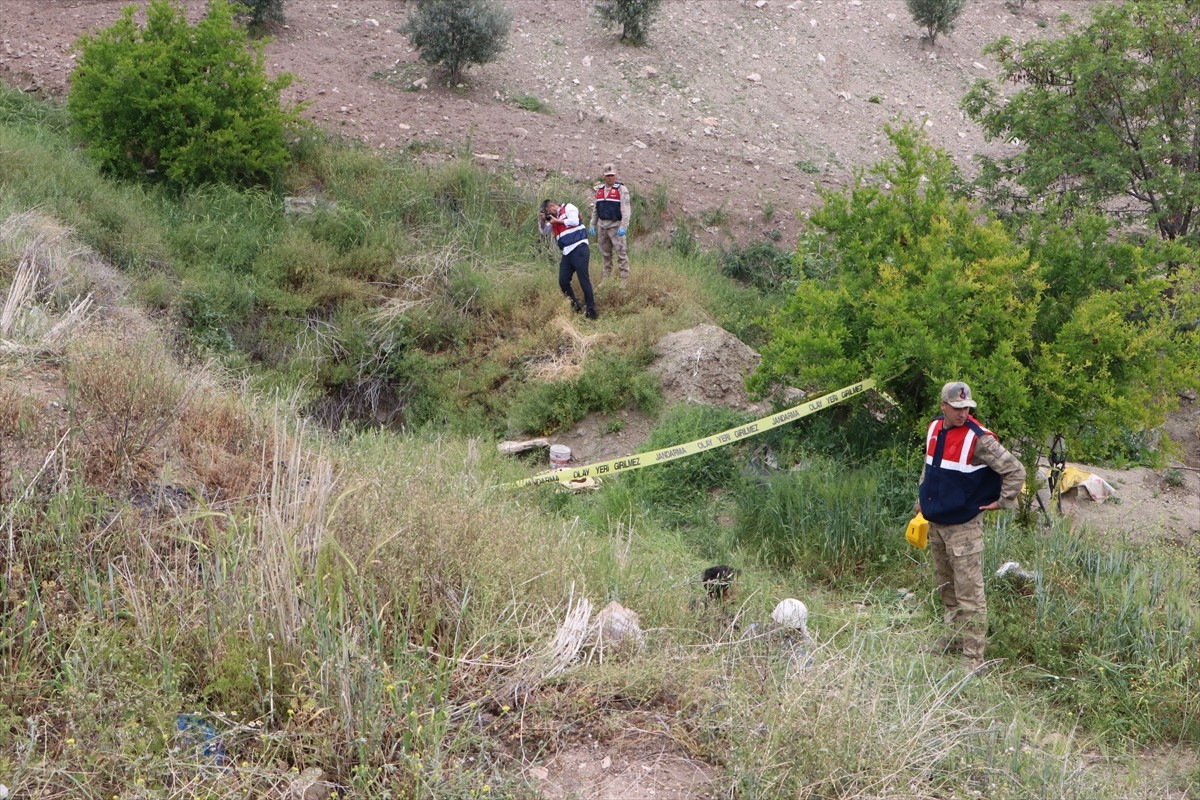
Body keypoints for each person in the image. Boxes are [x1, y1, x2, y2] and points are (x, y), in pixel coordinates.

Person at [916, 381, 1025, 672]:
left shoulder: (979, 438)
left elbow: (1015, 470)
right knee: (946, 587)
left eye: (967, 408)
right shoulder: (934, 428)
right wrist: (922, 498)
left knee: (970, 594)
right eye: (956, 408)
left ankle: (973, 658)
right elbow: (930, 467)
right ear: (943, 406)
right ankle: (952, 641)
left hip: (964, 526)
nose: (962, 413)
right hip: (937, 521)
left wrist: (1002, 501)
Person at [540, 198, 597, 320]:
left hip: (579, 247)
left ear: (553, 206)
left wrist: (557, 220)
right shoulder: (552, 220)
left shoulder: (569, 207)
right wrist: (543, 221)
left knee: (583, 279)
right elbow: (544, 231)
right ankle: (575, 305)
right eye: (546, 213)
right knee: (563, 280)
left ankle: (591, 310)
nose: (549, 214)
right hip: (567, 251)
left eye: (548, 211)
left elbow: (574, 221)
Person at [588, 163, 631, 284]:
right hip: (602, 226)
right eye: (607, 175)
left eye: (612, 175)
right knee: (606, 254)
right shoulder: (600, 190)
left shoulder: (621, 189)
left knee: (621, 253)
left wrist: (623, 226)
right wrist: (592, 224)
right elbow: (596, 208)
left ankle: (624, 280)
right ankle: (606, 280)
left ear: (615, 175)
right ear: (604, 176)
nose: (610, 178)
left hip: (615, 226)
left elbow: (626, 210)